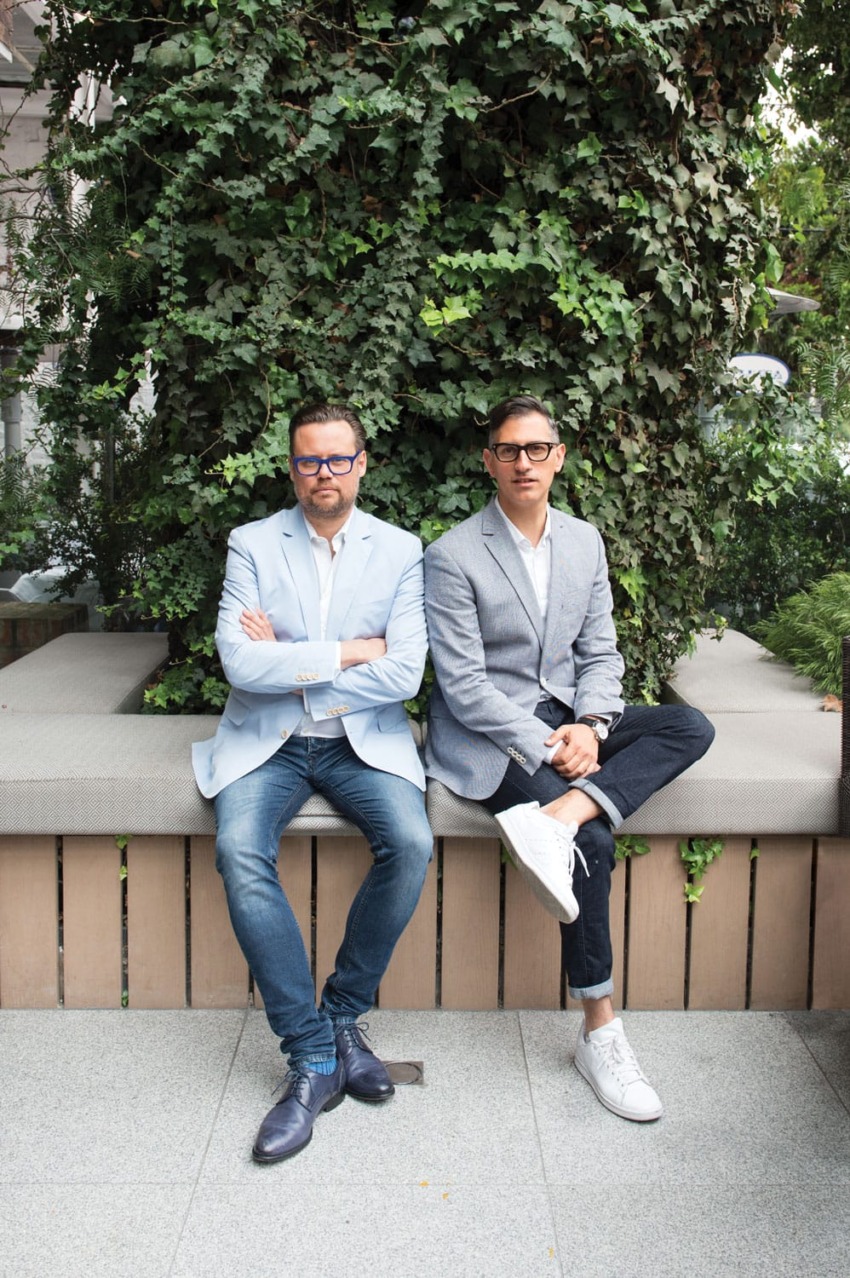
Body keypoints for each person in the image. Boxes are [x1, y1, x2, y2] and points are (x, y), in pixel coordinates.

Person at [423, 394, 714, 1123]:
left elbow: (601, 652)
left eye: (537, 449)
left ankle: (564, 809)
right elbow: (462, 687)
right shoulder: (453, 554)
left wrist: (589, 722)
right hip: (494, 735)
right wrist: (550, 739)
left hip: (571, 719)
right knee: (593, 842)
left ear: (559, 456)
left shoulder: (585, 541)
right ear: (488, 460)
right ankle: (600, 1029)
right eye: (509, 450)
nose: (524, 462)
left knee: (688, 728)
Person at [193, 401, 433, 1163]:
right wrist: (350, 653)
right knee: (238, 850)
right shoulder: (253, 544)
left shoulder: (399, 551)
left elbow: (407, 670)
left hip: (363, 746)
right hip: (267, 745)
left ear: (363, 464)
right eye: (307, 461)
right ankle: (311, 1051)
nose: (322, 475)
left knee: (412, 842)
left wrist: (295, 662)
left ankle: (343, 1013)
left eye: (336, 460)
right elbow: (239, 664)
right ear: (290, 466)